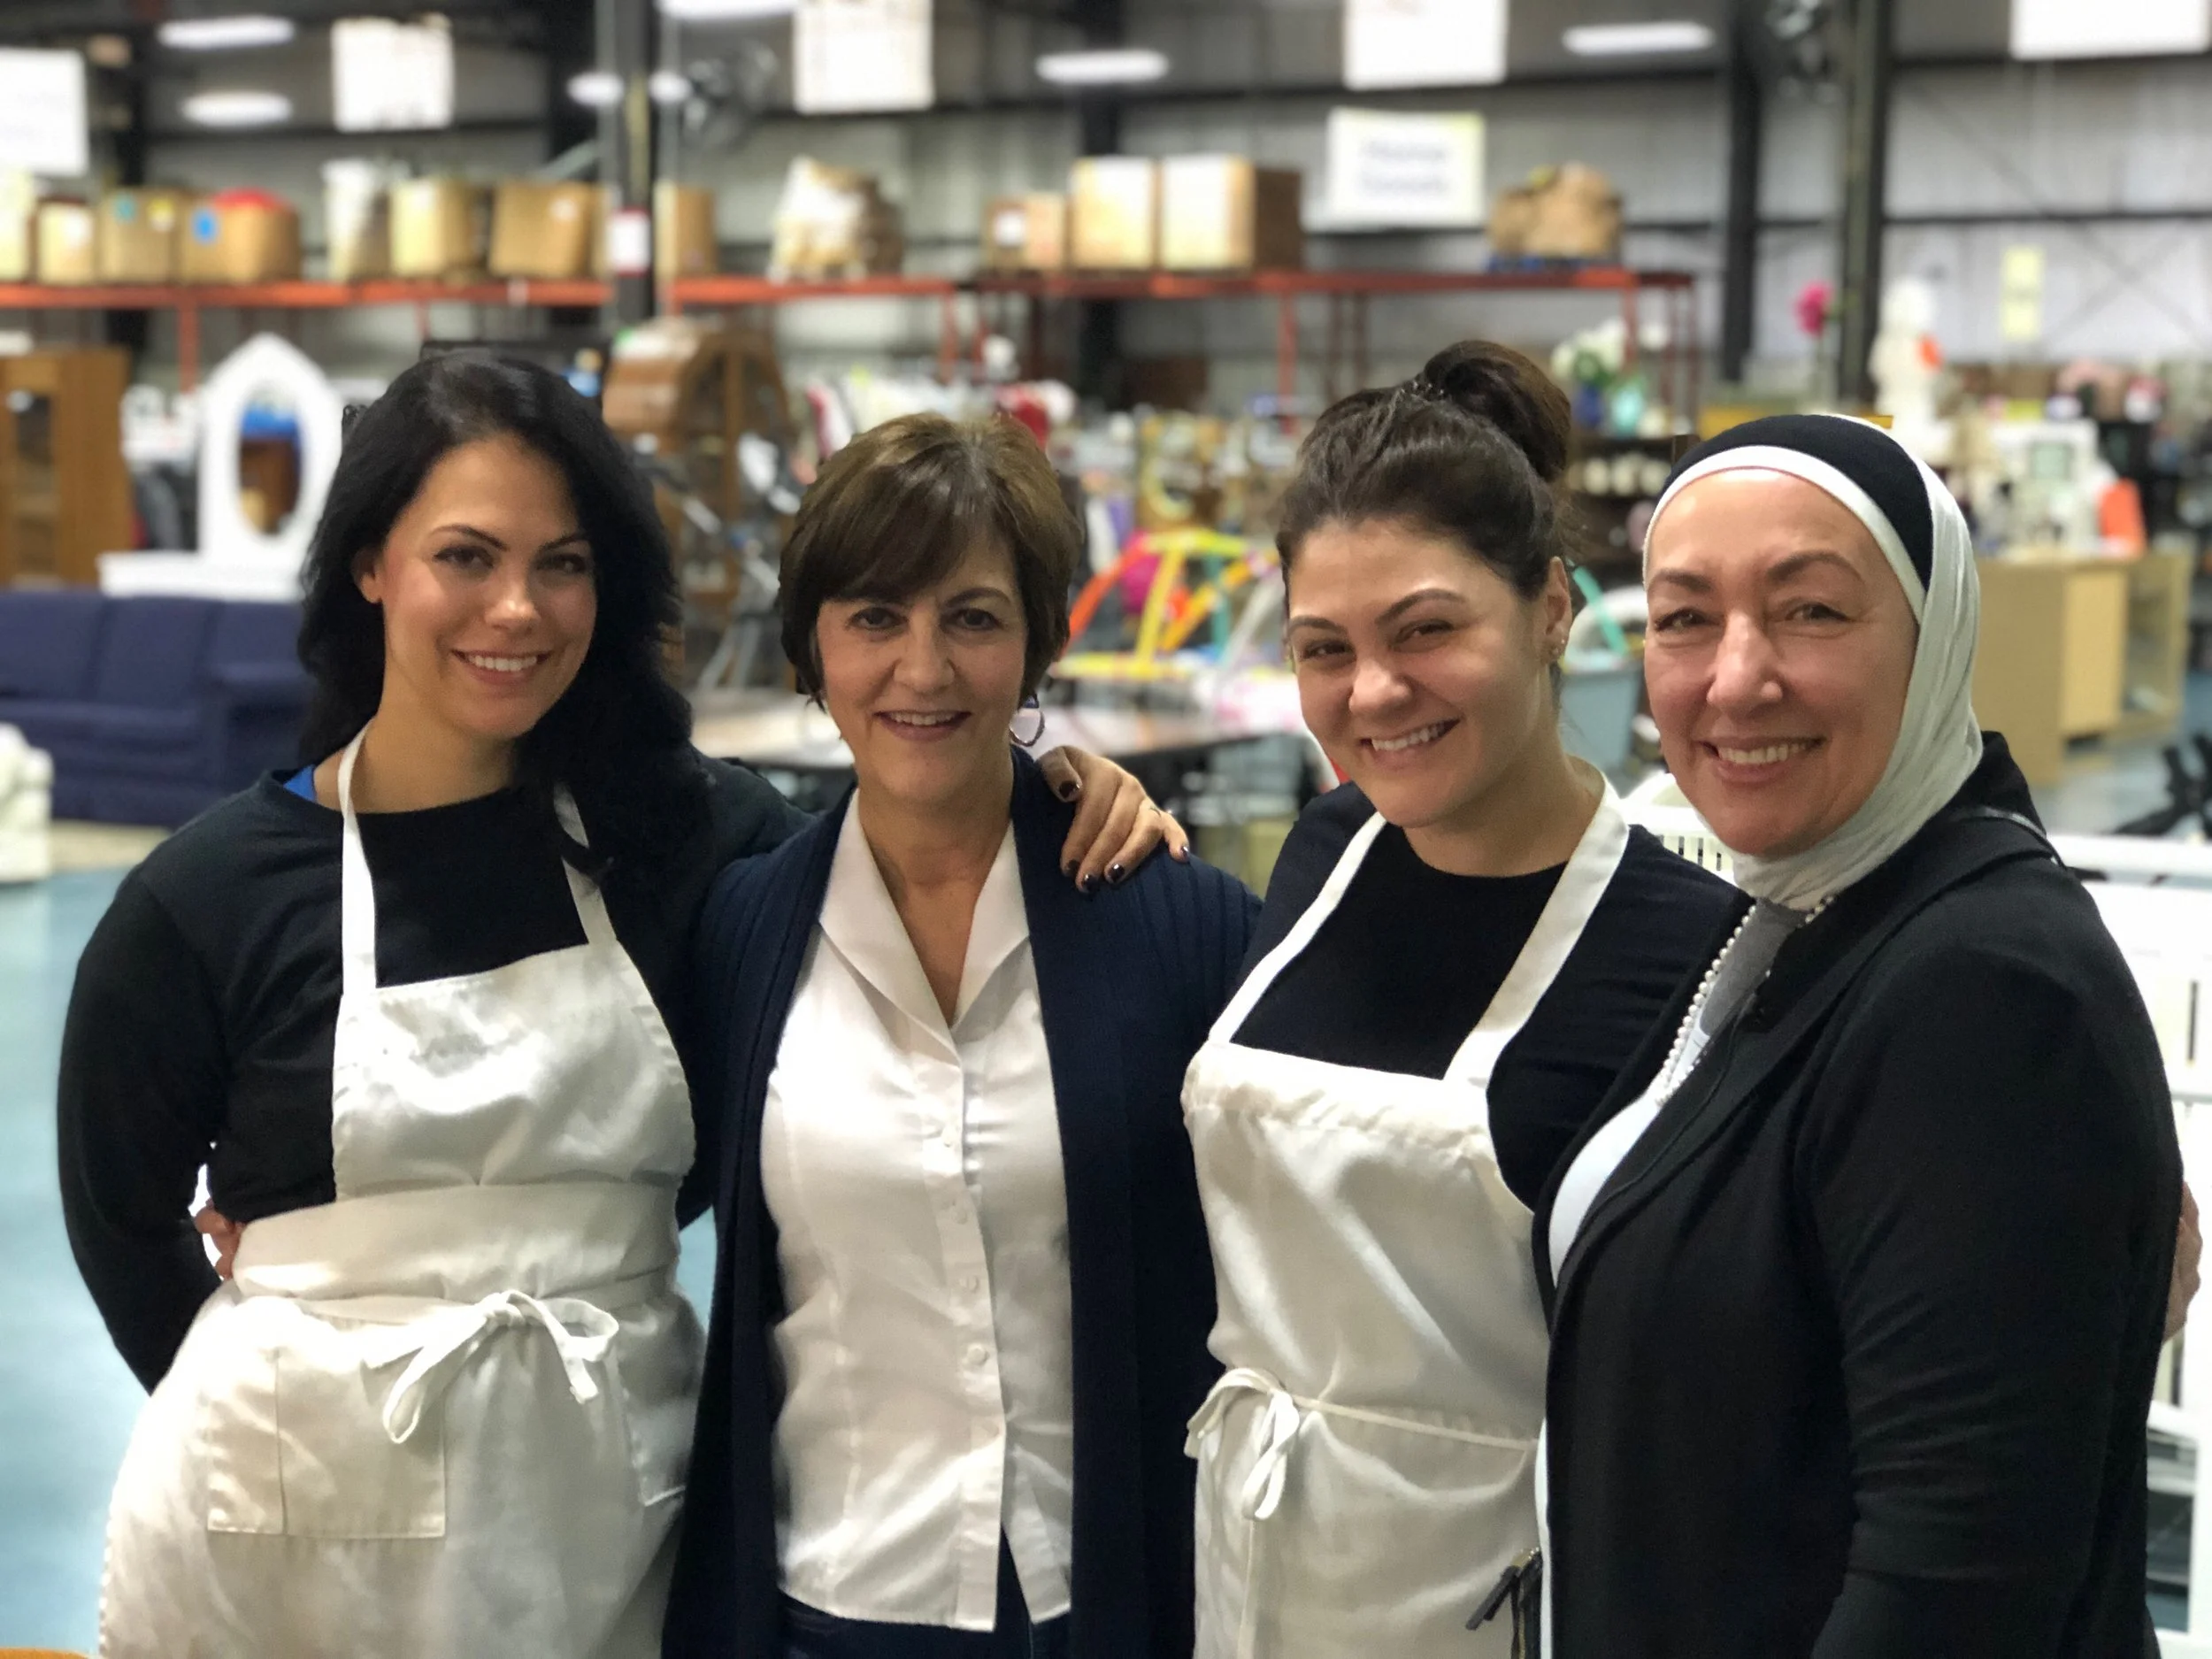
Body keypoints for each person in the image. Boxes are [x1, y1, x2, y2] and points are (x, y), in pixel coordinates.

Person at [58, 353, 1180, 1659]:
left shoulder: (682, 841)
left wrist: (1063, 782)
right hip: (288, 1542)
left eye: (566, 563)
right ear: (370, 563)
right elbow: (121, 1224)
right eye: (466, 557)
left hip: (590, 1526)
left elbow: (911, 808)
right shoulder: (208, 899)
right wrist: (303, 1399)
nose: (518, 608)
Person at [1536, 413, 2180, 1657]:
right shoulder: (1807, 919)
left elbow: (1954, 1587)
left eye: (1813, 611)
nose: (1735, 677)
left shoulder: (1979, 991)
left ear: (1935, 642)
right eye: (1683, 617)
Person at [1176, 342, 1740, 1659]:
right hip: (1248, 1572)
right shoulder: (1323, 853)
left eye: (1426, 630)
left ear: (1552, 607)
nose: (1374, 692)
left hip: (1498, 1601)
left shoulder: (1691, 949)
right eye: (1328, 648)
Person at [663, 412, 1258, 1659]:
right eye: (875, 617)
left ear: (1036, 644)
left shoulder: (1172, 924)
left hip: (1112, 1600)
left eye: (973, 617)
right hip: (833, 1600)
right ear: (812, 647)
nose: (922, 669)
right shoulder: (740, 931)